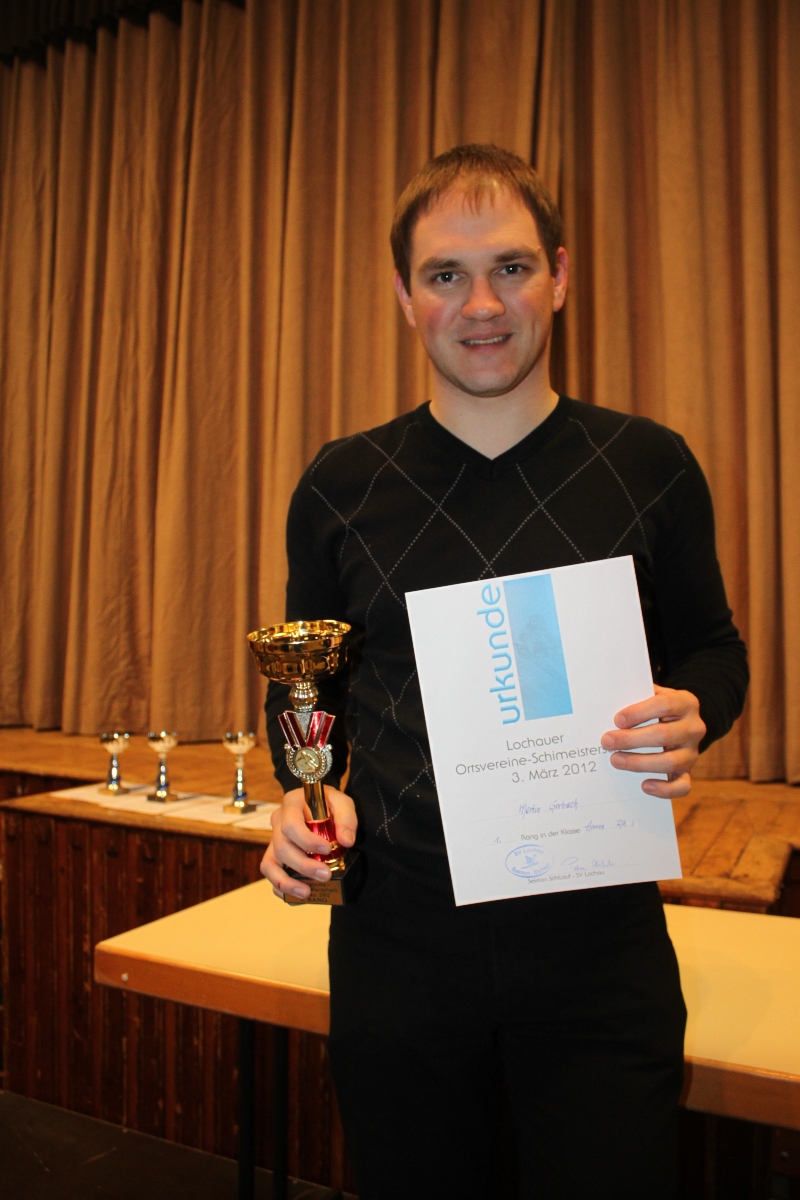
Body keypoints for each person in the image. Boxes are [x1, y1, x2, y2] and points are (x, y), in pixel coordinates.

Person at [260, 144, 748, 1200]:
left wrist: (695, 709)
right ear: (405, 296)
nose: (480, 305)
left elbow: (716, 649)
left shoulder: (649, 464)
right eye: (445, 274)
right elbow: (307, 695)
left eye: (511, 268)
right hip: (398, 955)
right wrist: (304, 800)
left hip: (597, 958)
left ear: (559, 277)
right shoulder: (341, 485)